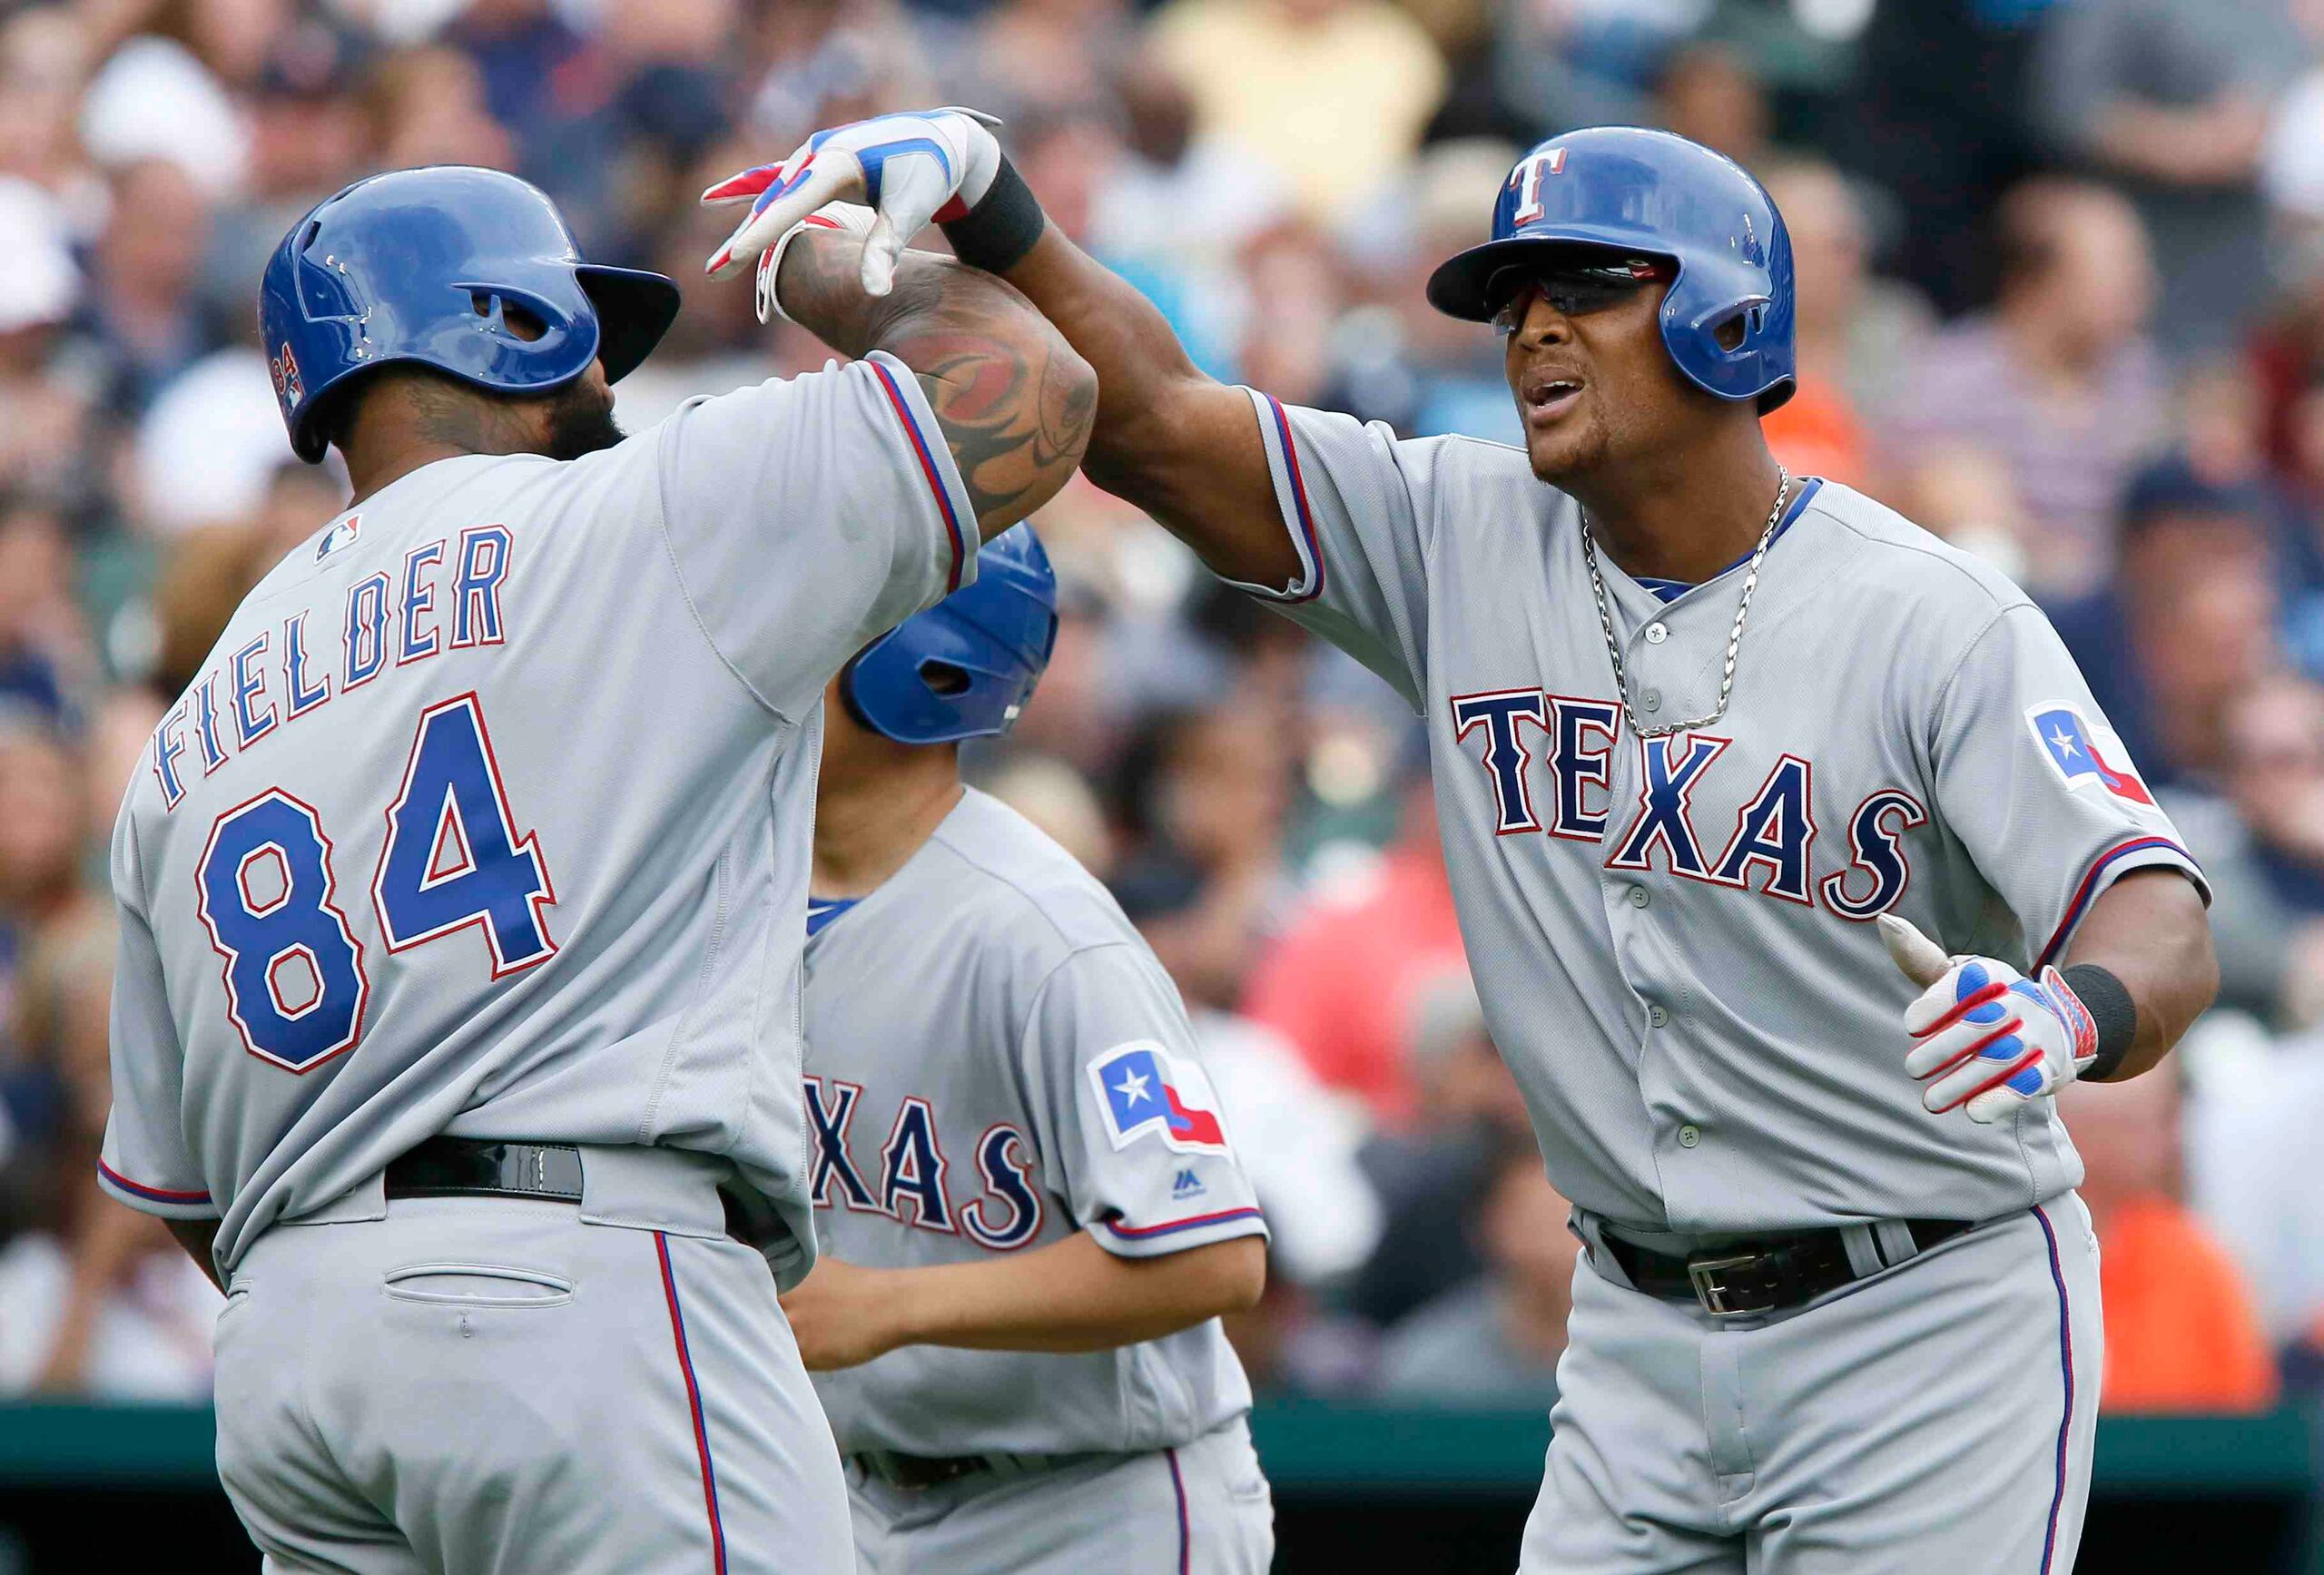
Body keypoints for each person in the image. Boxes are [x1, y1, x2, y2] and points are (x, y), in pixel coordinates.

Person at [703, 113, 2219, 1572]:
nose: (1535, 328)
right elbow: (1155, 423)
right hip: (1631, 1321)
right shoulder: (1454, 529)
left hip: (1925, 1310)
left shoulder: (1930, 618)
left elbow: (2153, 909)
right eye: (1513, 295)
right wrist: (992, 200)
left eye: (1590, 284)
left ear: (1734, 317)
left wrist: (2065, 1009)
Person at [96, 161, 1092, 1573]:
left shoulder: (190, 730)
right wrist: (817, 255)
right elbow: (1031, 384)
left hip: (293, 1356)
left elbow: (180, 1193)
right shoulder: (642, 516)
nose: (610, 376)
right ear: (520, 324)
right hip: (584, 1289)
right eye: (587, 331)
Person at [785, 527, 1275, 1575]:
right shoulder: (735, 894)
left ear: (914, 670)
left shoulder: (1044, 935)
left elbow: (1211, 1254)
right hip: (853, 1499)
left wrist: (883, 1308)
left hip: (1094, 1506)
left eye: (799, 622)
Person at [2055, 1070, 2277, 1413]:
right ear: (2082, 1134)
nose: (2172, 1141)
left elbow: (2249, 1423)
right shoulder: (2009, 1252)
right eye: (2148, 1123)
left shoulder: (2193, 1258)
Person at [1375, 1132, 1575, 1409]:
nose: (1549, 1247)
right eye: (1531, 1225)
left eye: (1568, 1224)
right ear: (1484, 1227)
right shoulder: (1425, 1372)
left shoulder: (1644, 1357)